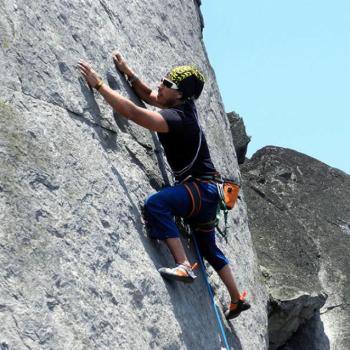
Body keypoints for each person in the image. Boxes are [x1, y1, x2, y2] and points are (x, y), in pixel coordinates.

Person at [78, 53, 250, 319]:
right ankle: (237, 298)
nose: (161, 84)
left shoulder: (177, 119)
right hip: (208, 195)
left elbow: (136, 113)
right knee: (208, 249)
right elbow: (152, 97)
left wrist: (100, 85)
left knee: (157, 203)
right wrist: (128, 72)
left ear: (180, 94)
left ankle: (183, 264)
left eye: (167, 83)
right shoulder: (183, 106)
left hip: (199, 192)